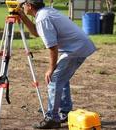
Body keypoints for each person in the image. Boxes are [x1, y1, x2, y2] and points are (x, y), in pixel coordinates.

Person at [17, 0, 96, 129]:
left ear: (30, 6)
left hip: (75, 49)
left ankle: (52, 118)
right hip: (78, 47)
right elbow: (36, 33)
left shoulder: (43, 18)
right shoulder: (45, 13)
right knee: (62, 79)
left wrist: (51, 68)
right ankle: (65, 112)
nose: (22, 6)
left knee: (54, 79)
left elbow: (53, 46)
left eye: (23, 4)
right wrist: (23, 17)